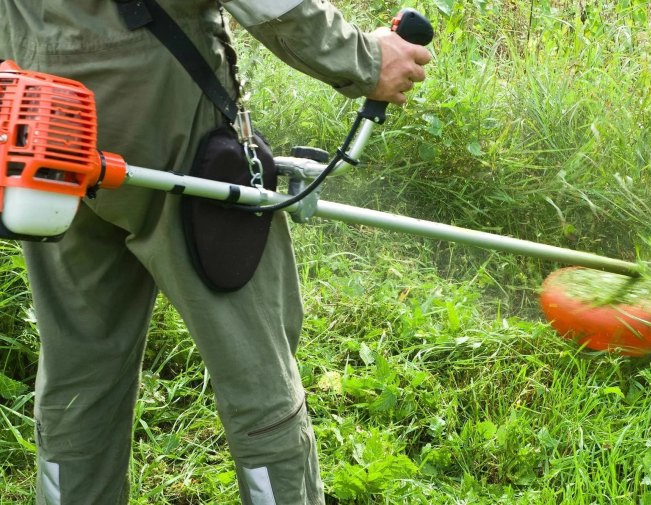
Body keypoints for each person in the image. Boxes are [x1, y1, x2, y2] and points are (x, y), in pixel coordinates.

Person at [0, 1, 431, 503]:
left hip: (38, 113)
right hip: (162, 113)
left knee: (80, 364)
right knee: (255, 367)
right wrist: (365, 59)